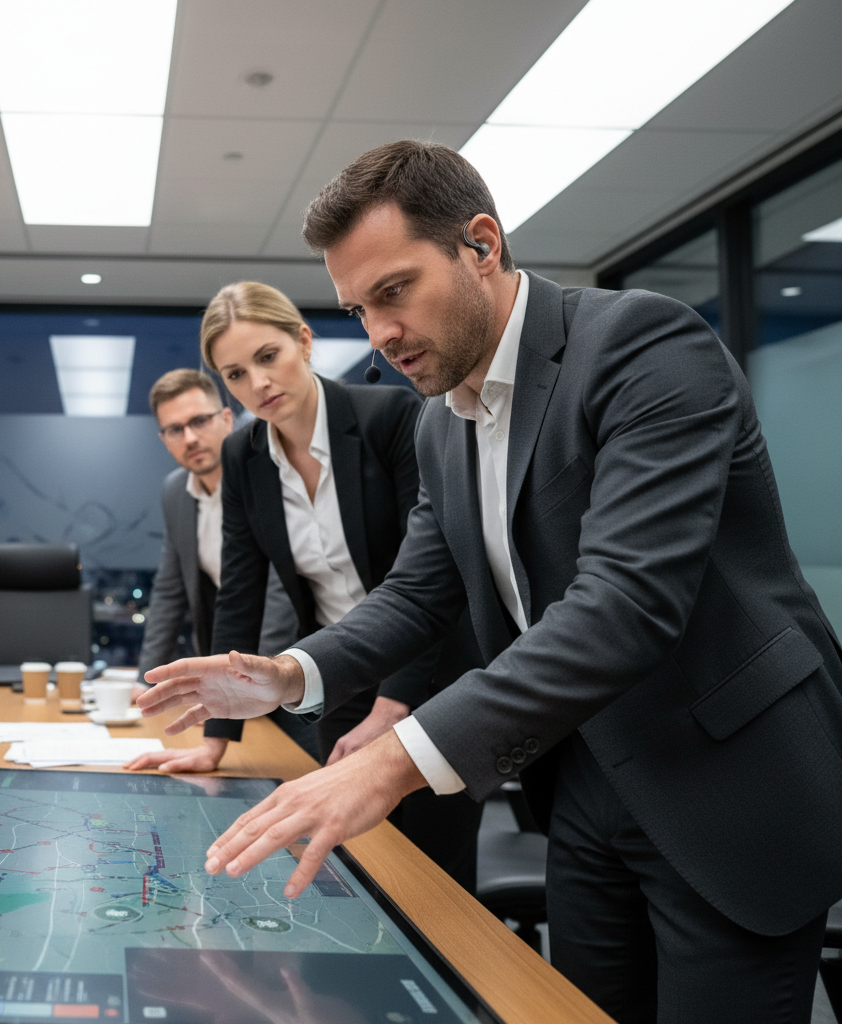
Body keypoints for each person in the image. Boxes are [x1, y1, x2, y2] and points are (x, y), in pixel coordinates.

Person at [140, 141, 842, 1024]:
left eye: (395, 291)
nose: (379, 334)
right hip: (585, 777)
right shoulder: (443, 424)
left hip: (725, 780)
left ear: (481, 244)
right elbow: (415, 593)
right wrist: (285, 676)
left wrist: (393, 758)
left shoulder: (642, 344)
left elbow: (624, 605)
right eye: (359, 309)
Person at [133, 281, 484, 891]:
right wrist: (216, 739)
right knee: (353, 867)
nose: (258, 383)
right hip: (339, 672)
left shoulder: (389, 418)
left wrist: (392, 708)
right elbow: (240, 593)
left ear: (303, 341)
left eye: (268, 357)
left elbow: (435, 578)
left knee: (432, 876)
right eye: (236, 375)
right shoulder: (243, 455)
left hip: (431, 677)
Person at [129, 367, 311, 770]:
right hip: (237, 671)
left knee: (293, 768)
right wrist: (145, 682)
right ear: (164, 439)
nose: (190, 438)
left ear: (227, 419)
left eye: (199, 421)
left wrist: (255, 680)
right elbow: (169, 590)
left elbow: (280, 590)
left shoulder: (266, 477)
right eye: (175, 429)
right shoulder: (176, 491)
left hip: (297, 661)